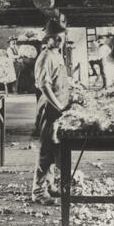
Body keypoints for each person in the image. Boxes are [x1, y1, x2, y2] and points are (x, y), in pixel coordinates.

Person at [32, 19, 70, 205]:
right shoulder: (45, 57)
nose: (58, 41)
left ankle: (49, 184)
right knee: (46, 151)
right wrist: (59, 106)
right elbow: (44, 86)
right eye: (54, 38)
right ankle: (38, 191)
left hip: (60, 106)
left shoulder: (57, 54)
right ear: (47, 39)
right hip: (50, 107)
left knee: (56, 148)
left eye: (60, 37)